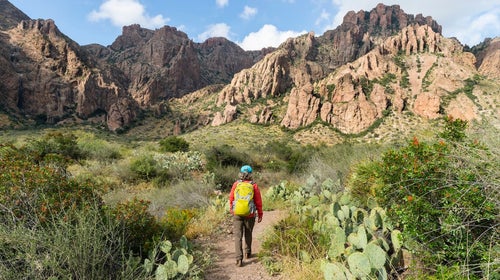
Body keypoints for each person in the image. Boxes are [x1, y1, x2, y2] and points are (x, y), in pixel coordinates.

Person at [229, 165, 263, 267]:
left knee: (238, 236)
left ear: (241, 173)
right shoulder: (254, 185)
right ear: (251, 174)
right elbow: (258, 201)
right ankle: (247, 253)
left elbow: (231, 198)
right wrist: (260, 213)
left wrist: (232, 209)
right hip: (250, 213)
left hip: (237, 213)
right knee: (248, 233)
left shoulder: (236, 184)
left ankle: (239, 259)